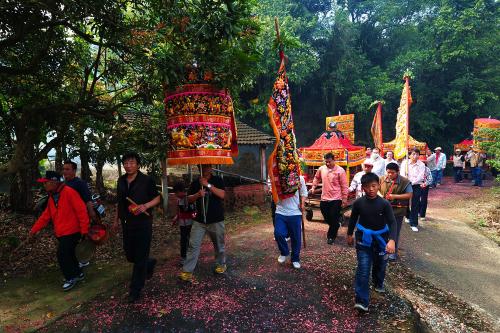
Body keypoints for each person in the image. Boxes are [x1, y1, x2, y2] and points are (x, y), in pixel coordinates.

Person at [29, 171, 90, 291]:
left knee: (62, 255)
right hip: (61, 232)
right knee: (70, 253)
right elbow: (46, 216)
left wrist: (84, 230)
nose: (44, 185)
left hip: (73, 231)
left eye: (46, 183)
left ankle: (71, 277)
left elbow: (81, 211)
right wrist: (34, 230)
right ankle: (78, 273)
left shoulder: (69, 192)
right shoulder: (53, 196)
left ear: (53, 182)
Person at [113, 152, 161, 303]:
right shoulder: (121, 181)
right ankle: (149, 262)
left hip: (143, 224)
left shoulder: (147, 180)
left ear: (138, 164)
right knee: (130, 255)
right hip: (127, 224)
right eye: (126, 163)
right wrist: (116, 220)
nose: (128, 165)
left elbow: (158, 198)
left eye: (132, 162)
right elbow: (120, 203)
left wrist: (145, 205)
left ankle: (135, 289)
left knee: (139, 257)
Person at [346, 173, 397, 312]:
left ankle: (378, 282)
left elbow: (392, 222)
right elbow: (353, 219)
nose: (371, 189)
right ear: (363, 188)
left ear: (378, 185)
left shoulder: (384, 204)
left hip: (381, 239)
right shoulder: (358, 203)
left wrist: (392, 240)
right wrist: (349, 234)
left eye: (374, 186)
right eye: (367, 187)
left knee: (380, 265)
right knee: (363, 268)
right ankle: (361, 301)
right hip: (363, 239)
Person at [179, 164, 226, 282]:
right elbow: (188, 199)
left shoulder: (217, 180)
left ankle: (221, 264)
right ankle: (187, 271)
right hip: (199, 220)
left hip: (216, 219)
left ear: (211, 167)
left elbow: (222, 194)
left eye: (207, 166)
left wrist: (207, 185)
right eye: (202, 167)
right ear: (198, 168)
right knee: (193, 245)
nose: (204, 169)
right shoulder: (195, 183)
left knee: (219, 245)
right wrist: (197, 195)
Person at [62, 160, 97, 268]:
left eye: (67, 169)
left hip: (79, 218)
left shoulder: (80, 183)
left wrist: (91, 214)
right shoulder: (64, 184)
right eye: (63, 169)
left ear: (74, 171)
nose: (65, 171)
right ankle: (77, 259)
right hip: (67, 219)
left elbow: (88, 200)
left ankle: (82, 260)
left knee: (79, 239)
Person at [309, 152, 348, 245]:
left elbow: (344, 185)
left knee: (333, 217)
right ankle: (336, 225)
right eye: (326, 162)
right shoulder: (322, 169)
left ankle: (331, 237)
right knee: (327, 217)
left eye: (329, 162)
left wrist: (345, 198)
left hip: (336, 198)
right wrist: (313, 187)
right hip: (324, 198)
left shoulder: (340, 170)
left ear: (334, 160)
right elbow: (316, 178)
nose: (327, 164)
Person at [379, 163, 412, 260]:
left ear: (397, 172)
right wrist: (380, 196)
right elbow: (376, 188)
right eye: (388, 172)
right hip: (383, 210)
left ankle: (392, 252)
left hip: (397, 210)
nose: (389, 175)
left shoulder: (404, 181)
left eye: (392, 173)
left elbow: (409, 194)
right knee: (382, 230)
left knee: (395, 231)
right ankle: (382, 248)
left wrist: (395, 196)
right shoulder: (382, 179)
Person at [274, 175, 308, 269]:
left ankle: (295, 259)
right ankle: (284, 252)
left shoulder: (300, 178)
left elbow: (304, 193)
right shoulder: (277, 177)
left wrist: (302, 203)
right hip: (281, 211)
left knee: (296, 237)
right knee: (278, 234)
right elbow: (273, 192)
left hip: (295, 212)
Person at [400, 149, 426, 232]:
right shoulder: (405, 163)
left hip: (416, 185)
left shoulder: (421, 164)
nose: (415, 156)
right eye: (414, 154)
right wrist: (406, 181)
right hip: (406, 184)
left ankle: (414, 223)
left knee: (415, 203)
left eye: (417, 154)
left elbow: (421, 176)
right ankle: (407, 215)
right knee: (405, 202)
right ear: (410, 155)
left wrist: (412, 182)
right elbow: (402, 174)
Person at [172, 181, 194, 266]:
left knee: (190, 240)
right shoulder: (179, 200)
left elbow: (194, 211)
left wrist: (193, 218)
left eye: (176, 193)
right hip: (182, 224)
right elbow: (179, 212)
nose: (176, 195)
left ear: (180, 191)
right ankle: (183, 257)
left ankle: (190, 256)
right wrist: (176, 218)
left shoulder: (189, 199)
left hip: (190, 224)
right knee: (183, 241)